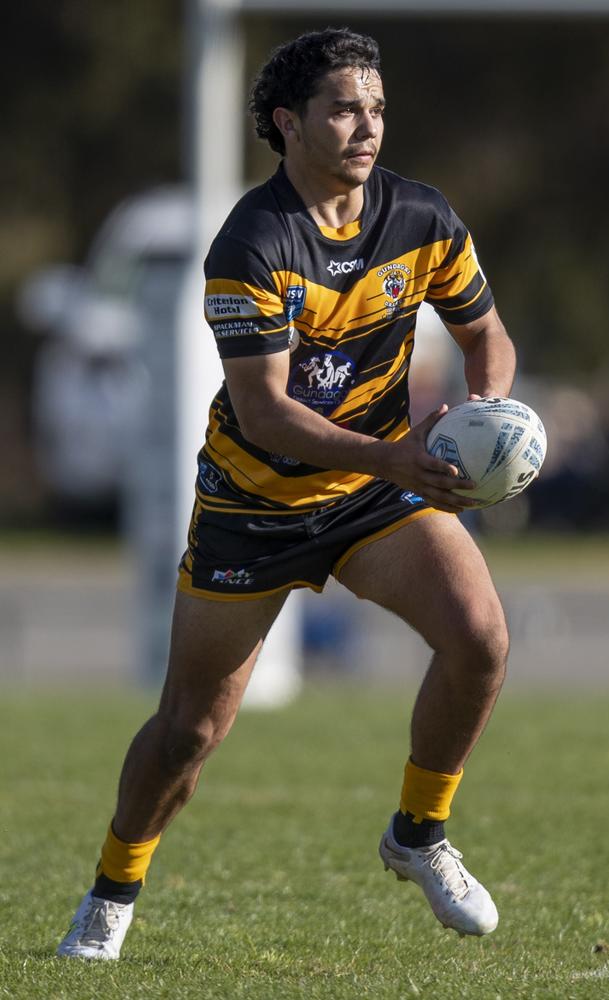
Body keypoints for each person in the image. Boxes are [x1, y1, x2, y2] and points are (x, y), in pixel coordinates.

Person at [57, 27, 515, 960]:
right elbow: (265, 416)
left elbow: (486, 336)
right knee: (189, 732)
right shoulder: (251, 243)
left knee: (479, 639)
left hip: (375, 492)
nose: (367, 126)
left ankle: (418, 835)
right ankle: (112, 890)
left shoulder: (421, 217)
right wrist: (398, 461)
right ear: (288, 122)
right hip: (254, 506)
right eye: (344, 108)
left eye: (377, 108)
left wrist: (487, 415)